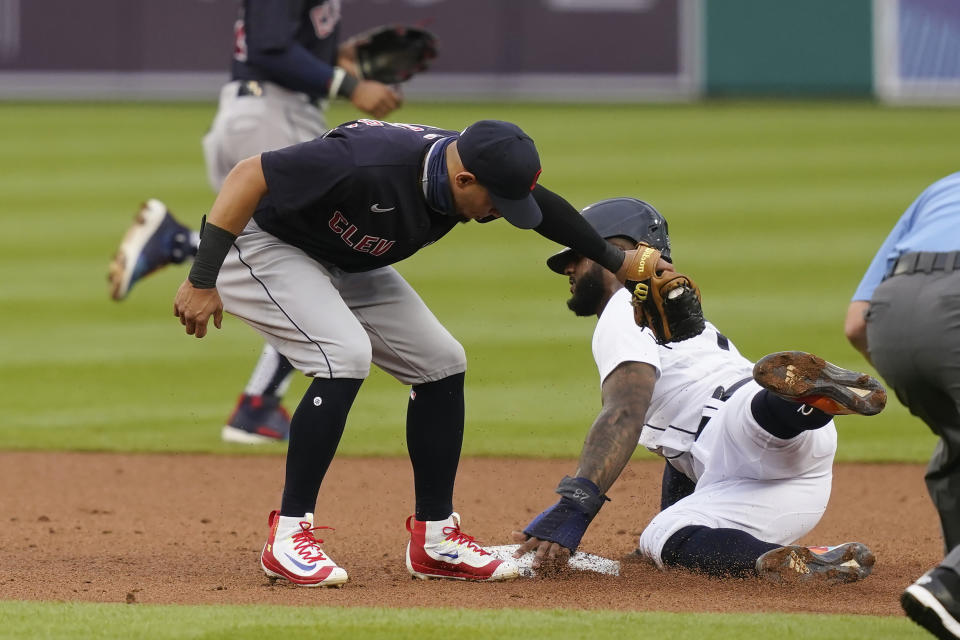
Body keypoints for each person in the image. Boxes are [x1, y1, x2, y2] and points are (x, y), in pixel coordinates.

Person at [171, 117, 645, 586]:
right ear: (463, 178)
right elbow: (248, 174)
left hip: (341, 255)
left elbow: (545, 209)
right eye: (496, 201)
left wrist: (620, 261)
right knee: (343, 356)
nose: (500, 211)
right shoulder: (368, 162)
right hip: (263, 243)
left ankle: (435, 540)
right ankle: (289, 537)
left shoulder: (465, 171)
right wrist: (201, 278)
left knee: (441, 362)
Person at [512, 197, 887, 583]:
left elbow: (626, 408)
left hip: (738, 428)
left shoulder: (625, 305)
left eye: (579, 253)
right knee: (663, 533)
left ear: (619, 251)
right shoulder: (673, 320)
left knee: (737, 427)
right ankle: (806, 413)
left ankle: (797, 401)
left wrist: (576, 506)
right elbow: (681, 449)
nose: (569, 268)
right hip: (796, 469)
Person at [107, 0, 404, 444]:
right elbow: (268, 49)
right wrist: (347, 83)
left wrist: (335, 57)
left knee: (302, 262)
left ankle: (256, 400)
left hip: (271, 112)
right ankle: (255, 401)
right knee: (318, 259)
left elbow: (284, 41)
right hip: (269, 113)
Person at [845, 172, 960, 638]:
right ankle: (952, 584)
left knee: (955, 448)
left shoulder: (943, 188)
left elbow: (856, 324)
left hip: (892, 319)